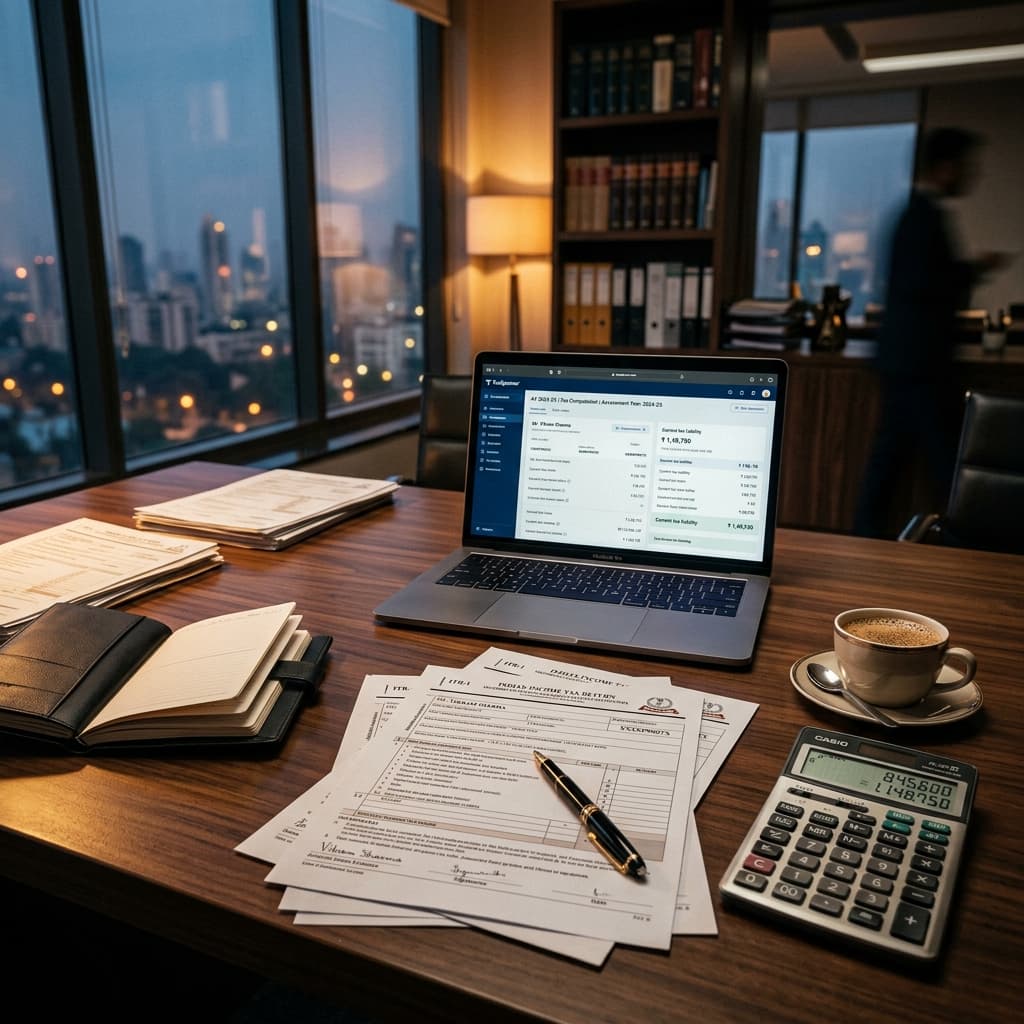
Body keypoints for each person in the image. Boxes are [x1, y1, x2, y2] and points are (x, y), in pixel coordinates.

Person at [854, 126, 1010, 538]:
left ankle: (870, 534)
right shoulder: (922, 217)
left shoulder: (918, 214)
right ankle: (967, 541)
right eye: (966, 167)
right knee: (944, 463)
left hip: (908, 359)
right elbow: (923, 285)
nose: (970, 176)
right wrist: (974, 269)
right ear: (946, 168)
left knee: (896, 461)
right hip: (918, 362)